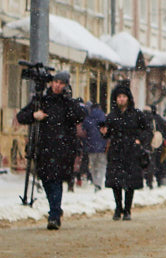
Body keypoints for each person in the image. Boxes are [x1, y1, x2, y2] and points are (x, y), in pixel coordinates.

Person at [16, 71, 85, 230]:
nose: (57, 85)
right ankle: (55, 208)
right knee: (46, 179)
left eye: (61, 83)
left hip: (63, 148)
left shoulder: (68, 102)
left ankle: (54, 215)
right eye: (55, 82)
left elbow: (79, 116)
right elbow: (21, 116)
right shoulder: (42, 100)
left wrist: (69, 100)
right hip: (44, 147)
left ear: (66, 85)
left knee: (56, 179)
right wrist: (35, 115)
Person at [101, 82, 149, 221]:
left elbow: (146, 130)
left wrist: (139, 140)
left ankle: (127, 209)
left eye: (123, 96)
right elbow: (107, 132)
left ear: (128, 98)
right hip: (116, 151)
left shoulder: (136, 114)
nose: (121, 99)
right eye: (118, 97)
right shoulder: (111, 116)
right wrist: (104, 132)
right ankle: (118, 208)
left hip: (131, 151)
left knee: (130, 182)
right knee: (116, 182)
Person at [81, 100, 108, 191]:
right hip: (102, 146)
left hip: (91, 146)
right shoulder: (104, 118)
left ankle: (95, 181)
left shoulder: (88, 118)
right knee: (101, 165)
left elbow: (84, 130)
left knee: (93, 165)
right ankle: (99, 182)